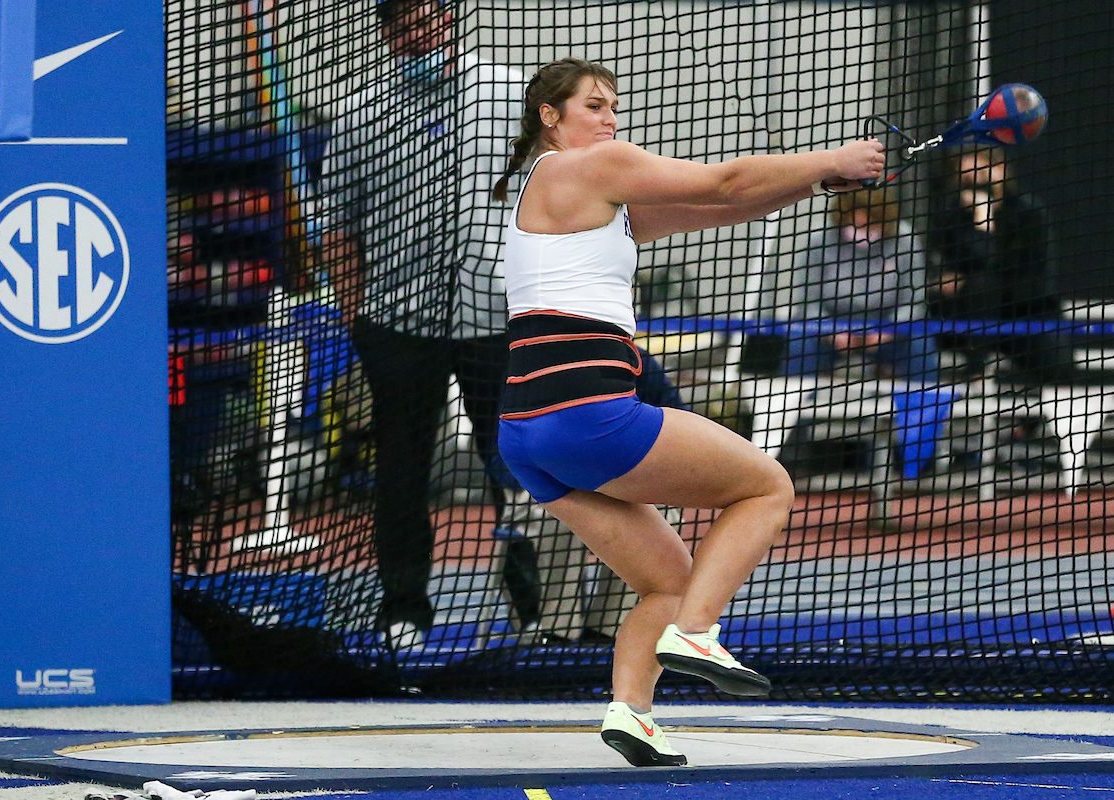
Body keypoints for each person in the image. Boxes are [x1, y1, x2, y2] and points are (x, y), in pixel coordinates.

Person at [491, 58, 884, 766]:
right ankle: (698, 632)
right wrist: (834, 154)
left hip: (526, 432)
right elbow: (725, 179)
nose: (610, 121)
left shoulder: (568, 196)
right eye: (595, 106)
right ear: (550, 115)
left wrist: (815, 181)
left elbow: (731, 206)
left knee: (666, 581)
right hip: (587, 412)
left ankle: (633, 714)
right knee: (768, 487)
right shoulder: (586, 168)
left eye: (615, 108)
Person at [319, 0, 537, 649]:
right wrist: (356, 316)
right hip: (397, 327)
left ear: (449, 19)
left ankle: (534, 609)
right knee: (402, 473)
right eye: (406, 21)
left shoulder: (510, 95)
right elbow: (336, 225)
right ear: (387, 31)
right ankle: (404, 611)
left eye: (432, 17)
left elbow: (553, 186)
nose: (422, 30)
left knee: (520, 466)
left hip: (496, 320)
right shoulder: (359, 114)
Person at [927, 147, 1069, 385]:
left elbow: (1026, 273)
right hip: (967, 316)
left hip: (1023, 311)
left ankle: (1029, 418)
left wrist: (984, 224)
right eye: (966, 178)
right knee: (981, 289)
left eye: (981, 174)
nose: (974, 183)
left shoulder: (1028, 214)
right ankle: (974, 375)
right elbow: (942, 270)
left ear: (1001, 170)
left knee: (1056, 360)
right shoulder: (950, 215)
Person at [785, 187, 938, 384]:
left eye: (869, 225)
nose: (861, 231)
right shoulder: (819, 239)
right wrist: (831, 331)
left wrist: (889, 330)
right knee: (800, 341)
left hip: (887, 325)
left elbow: (915, 299)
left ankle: (924, 413)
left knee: (920, 342)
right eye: (855, 224)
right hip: (833, 324)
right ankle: (795, 412)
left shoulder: (904, 240)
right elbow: (807, 299)